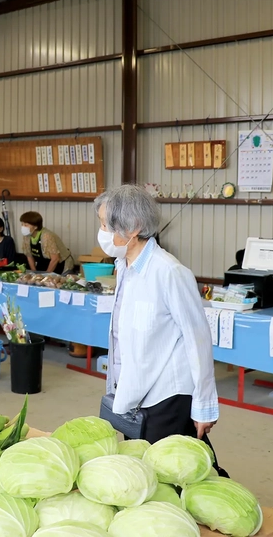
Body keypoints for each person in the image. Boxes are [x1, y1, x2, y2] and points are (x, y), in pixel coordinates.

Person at [94, 185, 221, 455]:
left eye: (108, 225)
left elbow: (198, 338)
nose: (103, 233)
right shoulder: (124, 267)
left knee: (173, 470)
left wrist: (204, 404)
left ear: (134, 226)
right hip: (136, 390)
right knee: (143, 466)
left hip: (166, 395)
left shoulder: (169, 272)